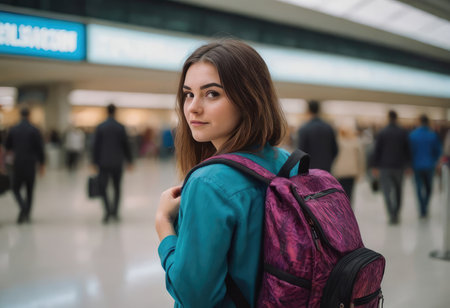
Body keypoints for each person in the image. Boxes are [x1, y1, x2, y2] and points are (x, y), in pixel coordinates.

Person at [155, 39, 289, 307]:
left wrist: (164, 228)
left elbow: (194, 296)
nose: (193, 107)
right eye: (188, 94)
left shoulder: (208, 183)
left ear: (248, 99)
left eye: (212, 93)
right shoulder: (287, 161)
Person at [92, 104, 133, 223]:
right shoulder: (120, 127)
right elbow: (126, 145)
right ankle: (115, 212)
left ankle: (107, 211)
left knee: (103, 187)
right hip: (117, 162)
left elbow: (95, 146)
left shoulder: (100, 127)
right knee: (117, 188)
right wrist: (129, 160)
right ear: (115, 112)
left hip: (103, 162)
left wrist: (94, 161)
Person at [4, 107, 45, 224]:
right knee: (30, 189)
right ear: (29, 115)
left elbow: (7, 147)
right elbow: (39, 148)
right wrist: (42, 163)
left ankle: (22, 207)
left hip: (17, 163)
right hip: (30, 163)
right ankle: (27, 212)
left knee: (15, 188)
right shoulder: (34, 130)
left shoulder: (14, 129)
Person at [372, 110, 410, 224]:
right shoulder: (402, 132)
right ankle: (396, 213)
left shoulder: (382, 132)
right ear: (396, 118)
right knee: (398, 190)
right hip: (399, 166)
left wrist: (375, 166)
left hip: (385, 166)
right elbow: (407, 150)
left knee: (386, 191)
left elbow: (377, 150)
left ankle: (391, 214)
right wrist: (408, 165)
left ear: (388, 118)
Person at [409, 114, 442, 218]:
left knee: (418, 188)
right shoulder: (433, 135)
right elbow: (438, 151)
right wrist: (437, 162)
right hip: (429, 165)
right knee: (428, 188)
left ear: (419, 121)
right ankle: (426, 205)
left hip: (416, 165)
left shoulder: (412, 135)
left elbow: (409, 152)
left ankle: (422, 208)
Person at [297, 100, 338, 172]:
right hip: (326, 169)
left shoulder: (304, 129)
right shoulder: (328, 127)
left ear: (308, 110)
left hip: (310, 170)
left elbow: (301, 152)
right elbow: (335, 149)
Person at [332, 120, 365, 206]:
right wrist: (360, 172)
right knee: (349, 194)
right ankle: (349, 212)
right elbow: (360, 159)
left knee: (340, 194)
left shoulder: (337, 142)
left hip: (340, 172)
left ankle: (342, 211)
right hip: (352, 172)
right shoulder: (355, 142)